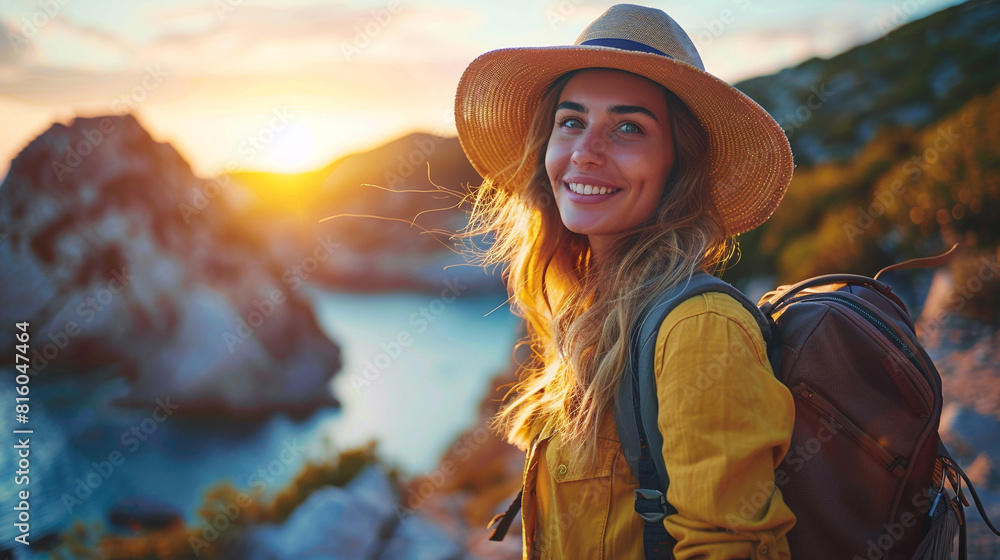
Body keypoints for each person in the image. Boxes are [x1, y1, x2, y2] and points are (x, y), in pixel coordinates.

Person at [454, 4, 797, 559]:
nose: (585, 153)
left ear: (678, 165)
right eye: (571, 122)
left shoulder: (699, 330)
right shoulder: (588, 313)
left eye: (628, 128)